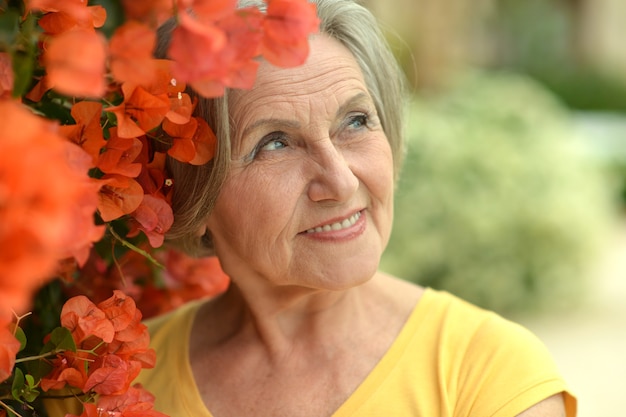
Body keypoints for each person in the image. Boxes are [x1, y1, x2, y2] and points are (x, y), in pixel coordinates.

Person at [135, 0, 578, 416]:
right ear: (190, 189)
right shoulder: (121, 383)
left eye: (355, 121)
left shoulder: (488, 374)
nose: (342, 181)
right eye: (274, 144)